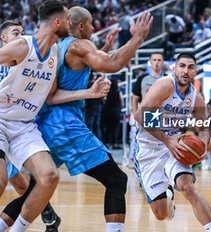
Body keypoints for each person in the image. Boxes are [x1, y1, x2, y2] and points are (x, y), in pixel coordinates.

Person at [35, 6, 152, 232]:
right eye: (90, 24)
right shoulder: (80, 45)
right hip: (65, 125)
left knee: (34, 190)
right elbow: (112, 64)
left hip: (47, 124)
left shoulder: (57, 46)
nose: (93, 28)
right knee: (116, 180)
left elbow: (76, 69)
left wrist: (105, 49)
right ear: (80, 26)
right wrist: (137, 39)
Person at [134, 53, 211, 232]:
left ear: (195, 72)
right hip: (148, 147)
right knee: (161, 214)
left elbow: (203, 127)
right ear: (174, 69)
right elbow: (140, 115)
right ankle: (169, 196)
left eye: (190, 67)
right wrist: (166, 140)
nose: (185, 71)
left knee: (188, 187)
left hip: (176, 144)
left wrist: (203, 145)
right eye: (182, 66)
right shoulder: (165, 85)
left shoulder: (196, 97)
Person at [0, 19, 61, 232]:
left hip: (22, 125)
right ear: (4, 38)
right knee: (4, 182)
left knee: (33, 182)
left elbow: (51, 94)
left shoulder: (34, 56)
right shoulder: (6, 59)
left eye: (23, 32)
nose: (21, 36)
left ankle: (32, 220)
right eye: (15, 32)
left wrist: (90, 92)